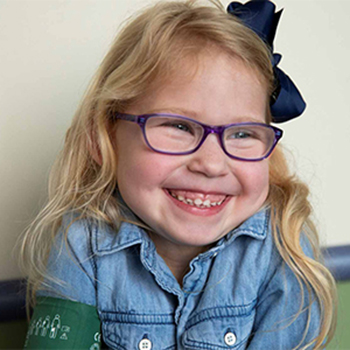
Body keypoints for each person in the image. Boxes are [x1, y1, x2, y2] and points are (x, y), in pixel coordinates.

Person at [20, 0, 337, 348]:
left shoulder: (285, 246)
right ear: (104, 139)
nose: (212, 164)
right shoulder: (82, 244)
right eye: (178, 126)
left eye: (242, 133)